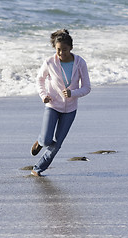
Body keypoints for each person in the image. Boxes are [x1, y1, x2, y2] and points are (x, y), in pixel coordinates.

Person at [31, 29, 91, 177]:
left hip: (70, 109)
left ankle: (38, 168)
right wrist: (43, 95)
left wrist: (73, 93)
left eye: (64, 50)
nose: (61, 53)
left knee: (57, 143)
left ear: (71, 47)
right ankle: (39, 141)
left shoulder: (80, 62)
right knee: (46, 140)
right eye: (58, 50)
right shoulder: (49, 62)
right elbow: (40, 79)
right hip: (52, 105)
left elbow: (87, 87)